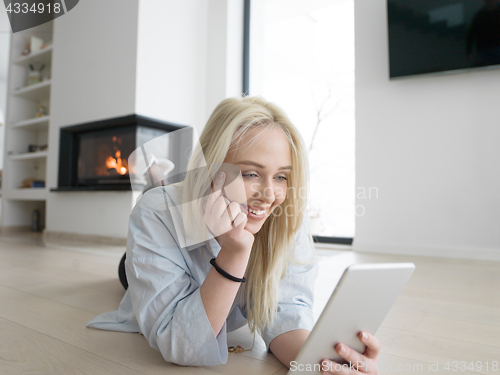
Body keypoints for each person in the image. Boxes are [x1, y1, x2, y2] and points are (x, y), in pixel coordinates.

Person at [87, 96, 381, 373]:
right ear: (212, 167)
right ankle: (148, 218)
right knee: (126, 270)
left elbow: (286, 311)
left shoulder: (283, 214)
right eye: (251, 173)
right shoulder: (154, 212)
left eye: (281, 176)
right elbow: (180, 345)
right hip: (160, 252)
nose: (269, 195)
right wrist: (234, 253)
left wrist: (324, 364)